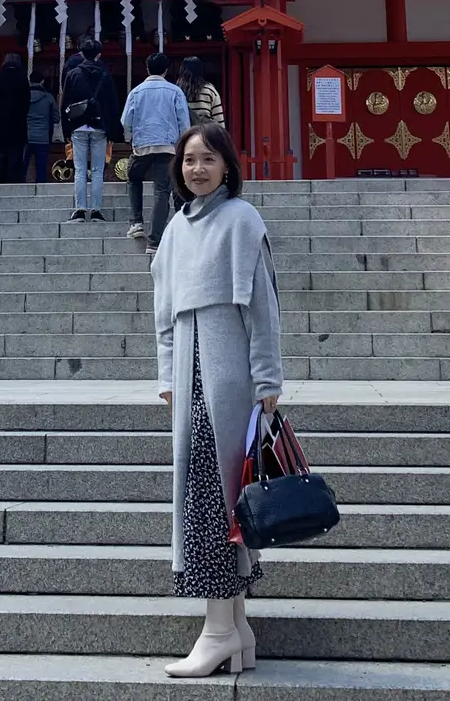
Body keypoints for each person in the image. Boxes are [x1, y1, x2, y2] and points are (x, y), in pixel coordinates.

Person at [152, 123, 282, 679]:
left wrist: (267, 381)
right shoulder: (176, 228)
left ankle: (219, 630)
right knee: (208, 497)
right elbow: (162, 315)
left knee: (218, 500)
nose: (197, 169)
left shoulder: (243, 221)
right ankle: (237, 629)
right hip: (189, 373)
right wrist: (166, 374)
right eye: (188, 160)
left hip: (230, 382)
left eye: (207, 159)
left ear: (227, 164)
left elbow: (264, 308)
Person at [121, 52, 189, 255]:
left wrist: (129, 137)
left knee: (133, 177)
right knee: (162, 192)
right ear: (166, 70)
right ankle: (154, 242)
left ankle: (136, 222)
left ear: (147, 68)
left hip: (142, 145)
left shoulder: (136, 92)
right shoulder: (175, 91)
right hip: (168, 146)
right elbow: (183, 122)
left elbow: (126, 120)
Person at [60, 37, 122, 222]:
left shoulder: (73, 74)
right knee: (97, 170)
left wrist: (66, 130)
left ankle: (80, 209)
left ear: (81, 52)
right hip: (100, 125)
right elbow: (112, 104)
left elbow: (65, 104)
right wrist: (114, 130)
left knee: (79, 169)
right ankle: (96, 210)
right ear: (99, 54)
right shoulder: (106, 75)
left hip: (78, 125)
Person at [0, 52, 31, 182]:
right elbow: (26, 102)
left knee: (0, 157)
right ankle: (14, 182)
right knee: (15, 156)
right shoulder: (23, 80)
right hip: (17, 122)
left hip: (0, 122)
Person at [23, 68, 60, 183]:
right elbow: (56, 118)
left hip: (26, 137)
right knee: (41, 169)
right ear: (42, 81)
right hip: (43, 138)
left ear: (29, 81)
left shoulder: (23, 96)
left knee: (22, 168)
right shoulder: (48, 97)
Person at [178, 56, 225, 127]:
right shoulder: (210, 90)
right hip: (204, 134)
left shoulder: (176, 91)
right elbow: (219, 121)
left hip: (184, 135)